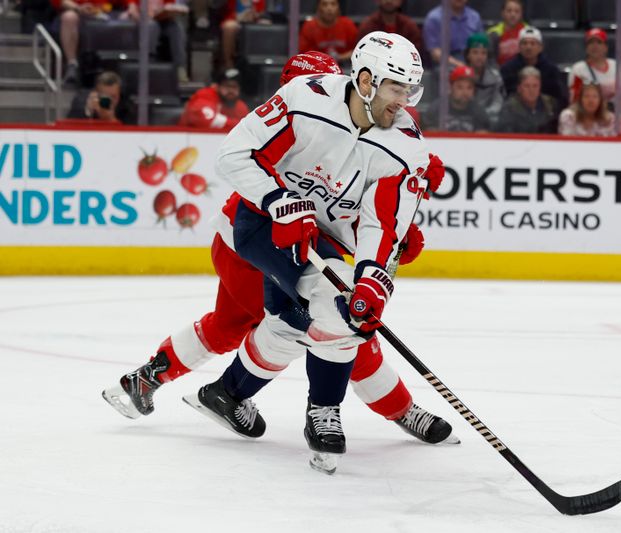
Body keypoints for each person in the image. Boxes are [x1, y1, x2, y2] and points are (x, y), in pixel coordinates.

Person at [103, 48, 455, 463]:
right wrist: (284, 205)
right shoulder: (304, 112)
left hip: (289, 241)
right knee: (331, 324)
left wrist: (396, 224)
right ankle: (393, 409)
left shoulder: (371, 127)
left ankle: (150, 381)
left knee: (238, 325)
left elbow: (342, 212)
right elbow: (261, 176)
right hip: (252, 239)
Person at [189, 32, 443, 473]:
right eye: (395, 89)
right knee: (337, 310)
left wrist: (374, 278)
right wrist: (279, 202)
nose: (403, 102)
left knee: (297, 322)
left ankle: (228, 393)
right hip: (263, 224)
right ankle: (324, 413)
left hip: (321, 239)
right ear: (365, 80)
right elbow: (233, 154)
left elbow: (380, 225)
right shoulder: (306, 99)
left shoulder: (404, 147)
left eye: (409, 91)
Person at [49, 0, 127, 86]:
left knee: (126, 17)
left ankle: (121, 69)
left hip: (106, 12)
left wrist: (131, 7)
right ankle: (72, 65)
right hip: (75, 11)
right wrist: (78, 8)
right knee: (69, 17)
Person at [500, 26, 568, 109]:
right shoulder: (507, 69)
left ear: (540, 47)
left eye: (533, 43)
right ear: (519, 47)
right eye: (524, 43)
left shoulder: (551, 70)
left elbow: (559, 98)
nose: (528, 47)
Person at [124, 0, 190, 82]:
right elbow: (132, 10)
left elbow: (168, 7)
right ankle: (149, 65)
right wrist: (142, 16)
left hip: (162, 21)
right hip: (142, 20)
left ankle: (179, 68)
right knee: (153, 26)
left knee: (176, 29)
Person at [568, 28, 621, 104]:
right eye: (591, 42)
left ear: (606, 47)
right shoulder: (578, 69)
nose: (595, 46)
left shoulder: (618, 67)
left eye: (599, 42)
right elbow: (574, 100)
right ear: (586, 48)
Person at [423, 65, 491, 132]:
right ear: (451, 87)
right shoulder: (436, 109)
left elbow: (482, 136)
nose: (465, 92)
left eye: (469, 88)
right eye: (460, 87)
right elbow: (431, 136)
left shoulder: (479, 112)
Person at [178, 68, 249, 131]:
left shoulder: (241, 107)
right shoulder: (205, 95)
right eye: (227, 86)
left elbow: (249, 128)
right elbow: (206, 121)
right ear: (217, 86)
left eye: (234, 87)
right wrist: (240, 125)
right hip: (189, 140)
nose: (230, 90)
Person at [495, 66, 558, 134]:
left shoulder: (550, 105)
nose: (531, 90)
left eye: (535, 86)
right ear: (519, 88)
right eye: (527, 86)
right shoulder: (509, 109)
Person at [422, 0, 482, 68]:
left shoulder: (475, 17)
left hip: (470, 60)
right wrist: (461, 66)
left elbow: (480, 46)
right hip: (444, 65)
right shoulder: (434, 18)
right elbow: (435, 52)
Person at [299, 0, 359, 64]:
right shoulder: (309, 27)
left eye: (333, 4)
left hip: (344, 65)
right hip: (317, 66)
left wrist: (339, 57)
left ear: (338, 7)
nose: (329, 8)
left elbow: (356, 50)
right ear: (318, 7)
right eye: (324, 4)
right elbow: (305, 55)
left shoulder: (348, 24)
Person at [464, 33, 504, 124]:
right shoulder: (460, 76)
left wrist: (483, 115)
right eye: (475, 52)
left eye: (483, 53)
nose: (479, 57)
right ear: (468, 55)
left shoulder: (495, 77)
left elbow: (498, 102)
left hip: (488, 118)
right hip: (464, 117)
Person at [66, 70, 133, 123]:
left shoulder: (125, 106)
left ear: (119, 94)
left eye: (113, 96)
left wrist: (111, 119)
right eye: (105, 96)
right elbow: (69, 127)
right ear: (96, 93)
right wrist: (88, 111)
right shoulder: (81, 100)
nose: (109, 101)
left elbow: (132, 133)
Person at [357, 0, 422, 54]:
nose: (389, 1)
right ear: (377, 1)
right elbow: (361, 51)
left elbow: (415, 53)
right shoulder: (367, 25)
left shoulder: (409, 26)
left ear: (401, 1)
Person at [220, 0, 267, 69]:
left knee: (265, 24)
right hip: (235, 20)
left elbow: (261, 12)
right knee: (229, 27)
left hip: (253, 20)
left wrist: (255, 15)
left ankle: (263, 62)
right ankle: (228, 63)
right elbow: (226, 10)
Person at [487, 0, 528, 66]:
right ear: (502, 13)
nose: (513, 14)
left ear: (521, 14)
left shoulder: (528, 32)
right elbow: (490, 60)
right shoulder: (493, 33)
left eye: (517, 11)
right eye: (509, 11)